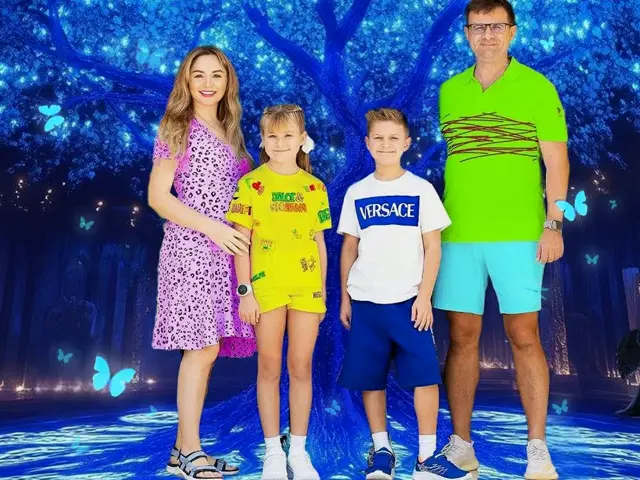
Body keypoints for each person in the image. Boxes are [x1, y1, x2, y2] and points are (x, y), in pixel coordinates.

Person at [434, 1, 569, 479]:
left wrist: (554, 224)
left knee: (524, 335)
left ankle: (538, 451)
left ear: (512, 32)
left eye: (496, 26)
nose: (487, 35)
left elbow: (557, 163)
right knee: (460, 338)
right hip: (457, 235)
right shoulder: (449, 91)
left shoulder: (537, 87)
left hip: (519, 235)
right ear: (466, 33)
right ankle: (461, 448)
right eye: (478, 27)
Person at [337, 108, 472, 480]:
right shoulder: (357, 192)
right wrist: (346, 298)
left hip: (410, 303)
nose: (386, 145)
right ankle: (382, 451)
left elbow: (434, 247)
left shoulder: (421, 190)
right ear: (367, 143)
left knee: (425, 378)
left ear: (407, 143)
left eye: (393, 138)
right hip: (366, 303)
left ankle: (427, 458)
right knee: (370, 379)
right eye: (378, 138)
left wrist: (424, 296)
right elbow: (349, 249)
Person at [148, 45, 256, 479]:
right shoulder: (177, 126)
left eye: (217, 75)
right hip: (191, 249)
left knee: (207, 351)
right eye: (199, 75)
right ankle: (192, 452)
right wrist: (212, 228)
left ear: (228, 81)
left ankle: (181, 451)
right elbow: (158, 197)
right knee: (202, 348)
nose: (208, 83)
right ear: (186, 81)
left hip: (225, 254)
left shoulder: (232, 131)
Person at [226, 104, 331, 480]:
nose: (280, 142)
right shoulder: (250, 184)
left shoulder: (314, 188)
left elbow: (319, 244)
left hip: (306, 291)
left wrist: (322, 292)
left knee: (301, 368)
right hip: (265, 289)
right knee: (269, 368)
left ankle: (298, 452)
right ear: (263, 140)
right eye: (273, 136)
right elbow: (240, 243)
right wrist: (245, 292)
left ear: (302, 139)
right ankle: (272, 452)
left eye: (288, 135)